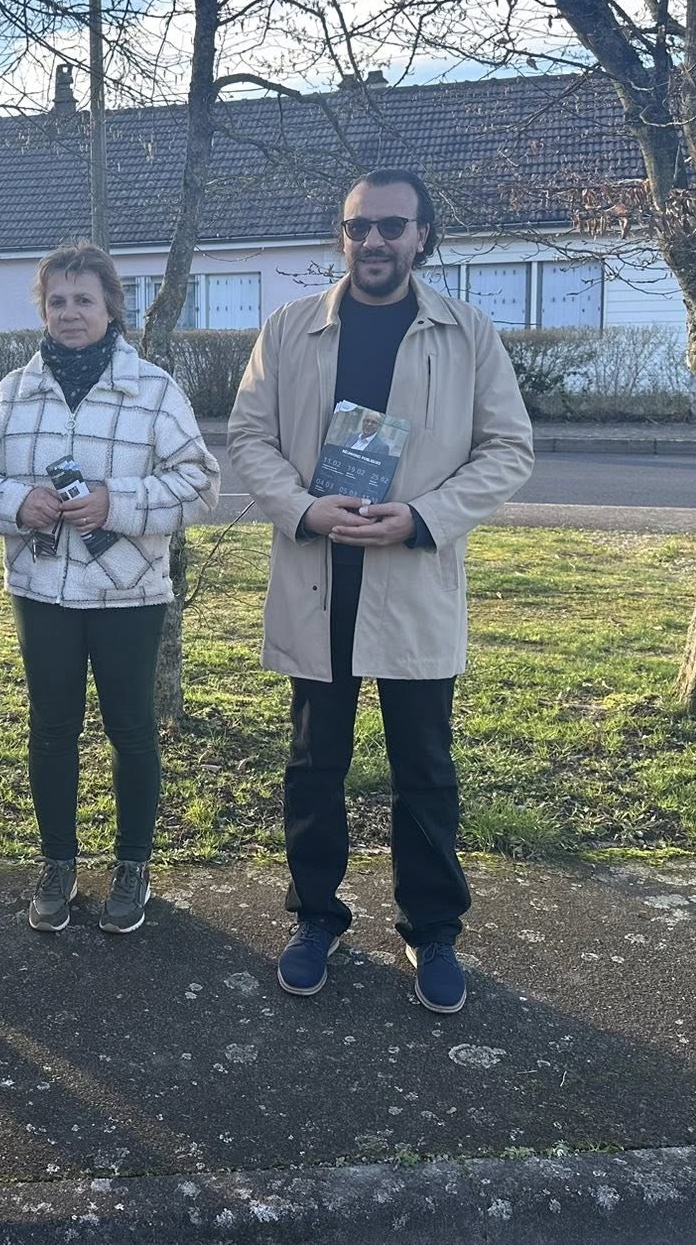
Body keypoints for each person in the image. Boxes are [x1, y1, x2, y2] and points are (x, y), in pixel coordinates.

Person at [226, 169, 533, 1014]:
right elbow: (248, 436)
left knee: (425, 769)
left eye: (392, 226)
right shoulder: (290, 330)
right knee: (314, 765)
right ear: (343, 236)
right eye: (359, 227)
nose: (374, 242)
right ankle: (315, 918)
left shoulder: (466, 334)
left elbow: (508, 449)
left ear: (423, 236)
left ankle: (433, 931)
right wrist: (303, 507)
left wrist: (424, 516)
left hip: (412, 578)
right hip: (320, 575)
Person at [0, 243, 220, 934]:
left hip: (129, 595)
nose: (71, 313)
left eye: (84, 300)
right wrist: (19, 502)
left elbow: (200, 482)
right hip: (41, 592)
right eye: (58, 301)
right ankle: (58, 863)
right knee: (51, 731)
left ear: (111, 307)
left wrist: (117, 502)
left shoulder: (154, 391)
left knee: (132, 730)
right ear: (42, 309)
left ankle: (132, 864)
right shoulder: (12, 393)